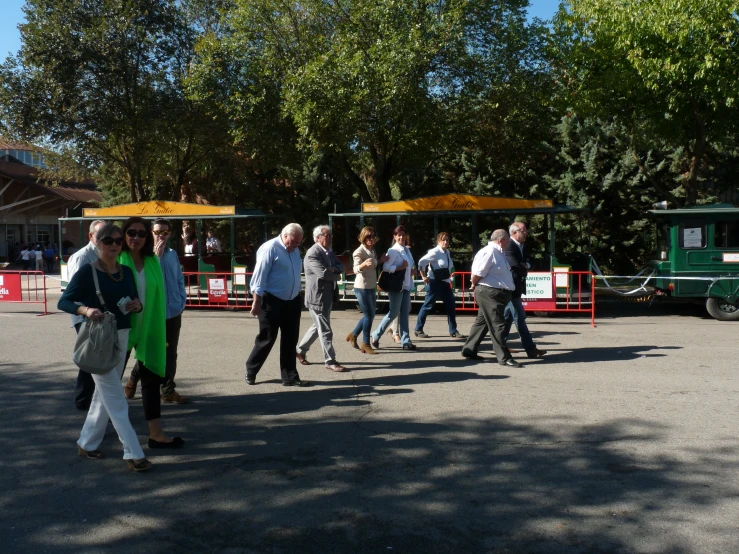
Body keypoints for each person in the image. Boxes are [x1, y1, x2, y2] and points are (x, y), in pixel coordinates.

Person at [57, 223, 152, 472]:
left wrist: (136, 306)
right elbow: (64, 301)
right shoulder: (88, 272)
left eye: (118, 241)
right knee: (115, 397)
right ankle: (134, 452)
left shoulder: (126, 272)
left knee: (103, 396)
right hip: (100, 340)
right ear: (97, 242)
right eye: (108, 240)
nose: (114, 245)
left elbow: (135, 301)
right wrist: (86, 310)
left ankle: (87, 443)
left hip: (122, 335)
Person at [119, 217, 184, 449]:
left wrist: (180, 302)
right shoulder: (117, 258)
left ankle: (156, 434)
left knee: (151, 379)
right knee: (110, 382)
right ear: (123, 234)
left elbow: (173, 283)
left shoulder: (154, 260)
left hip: (152, 325)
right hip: (122, 328)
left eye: (141, 233)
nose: (136, 237)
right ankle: (92, 434)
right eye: (131, 233)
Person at [124, 218, 189, 404]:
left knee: (170, 352)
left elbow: (178, 279)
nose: (161, 236)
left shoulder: (172, 254)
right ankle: (133, 380)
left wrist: (181, 300)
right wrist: (156, 257)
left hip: (173, 311)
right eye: (157, 232)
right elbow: (150, 280)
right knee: (150, 351)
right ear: (150, 233)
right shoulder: (147, 256)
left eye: (165, 233)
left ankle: (168, 390)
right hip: (151, 313)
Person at [245, 223, 311, 387]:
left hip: (292, 301)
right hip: (271, 300)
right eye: (293, 242)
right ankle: (251, 370)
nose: (295, 246)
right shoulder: (270, 248)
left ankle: (289, 376)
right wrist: (256, 301)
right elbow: (258, 277)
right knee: (267, 338)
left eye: (298, 243)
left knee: (290, 339)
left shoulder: (294, 250)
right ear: (285, 235)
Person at [460, 229, 522, 367]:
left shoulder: (498, 253)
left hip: (495, 293)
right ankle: (504, 357)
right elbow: (477, 273)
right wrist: (473, 284)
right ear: (500, 240)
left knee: (482, 322)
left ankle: (469, 350)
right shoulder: (489, 252)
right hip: (490, 293)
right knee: (497, 324)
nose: (508, 243)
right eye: (507, 240)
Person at [67, 219, 107, 410]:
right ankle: (84, 400)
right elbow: (73, 293)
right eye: (101, 234)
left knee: (95, 356)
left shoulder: (104, 253)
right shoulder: (82, 257)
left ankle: (90, 399)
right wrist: (86, 312)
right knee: (90, 357)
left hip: (100, 314)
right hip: (84, 315)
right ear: (91, 236)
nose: (106, 239)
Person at [296, 225, 347, 371]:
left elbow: (341, 266)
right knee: (325, 330)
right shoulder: (313, 253)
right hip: (317, 298)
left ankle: (300, 350)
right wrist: (335, 273)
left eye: (331, 235)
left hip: (328, 296)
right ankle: (330, 361)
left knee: (317, 326)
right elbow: (323, 274)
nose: (330, 238)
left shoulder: (328, 252)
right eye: (327, 235)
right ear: (318, 237)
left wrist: (334, 269)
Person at [370, 225, 417, 351]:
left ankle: (406, 341)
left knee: (405, 313)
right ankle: (376, 334)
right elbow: (385, 267)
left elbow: (408, 265)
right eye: (398, 235)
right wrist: (401, 268)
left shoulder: (407, 250)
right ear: (395, 237)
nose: (401, 237)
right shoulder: (393, 250)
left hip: (406, 285)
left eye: (403, 234)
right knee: (394, 312)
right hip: (396, 286)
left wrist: (411, 270)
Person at [504, 222, 547, 359]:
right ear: (514, 232)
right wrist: (524, 266)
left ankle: (500, 345)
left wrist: (526, 265)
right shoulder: (509, 245)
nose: (526, 233)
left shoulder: (522, 246)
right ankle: (531, 349)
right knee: (520, 317)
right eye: (523, 231)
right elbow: (514, 265)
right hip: (510, 287)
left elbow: (530, 261)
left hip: (516, 286)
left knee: (507, 318)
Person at [414, 232, 464, 339]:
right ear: (438, 241)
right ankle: (418, 329)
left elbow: (449, 266)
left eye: (447, 240)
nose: (445, 242)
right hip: (434, 282)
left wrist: (450, 279)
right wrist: (423, 276)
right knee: (428, 306)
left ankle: (453, 330)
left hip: (445, 282)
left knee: (451, 306)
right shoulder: (434, 252)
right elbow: (421, 262)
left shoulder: (447, 252)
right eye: (443, 240)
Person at [347, 226, 388, 355]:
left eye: (373, 236)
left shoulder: (372, 250)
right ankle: (365, 343)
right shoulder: (359, 252)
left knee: (369, 315)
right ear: (363, 237)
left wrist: (380, 260)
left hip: (371, 286)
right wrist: (363, 265)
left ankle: (353, 334)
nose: (371, 238)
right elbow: (355, 269)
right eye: (368, 236)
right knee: (369, 315)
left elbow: (374, 265)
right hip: (362, 287)